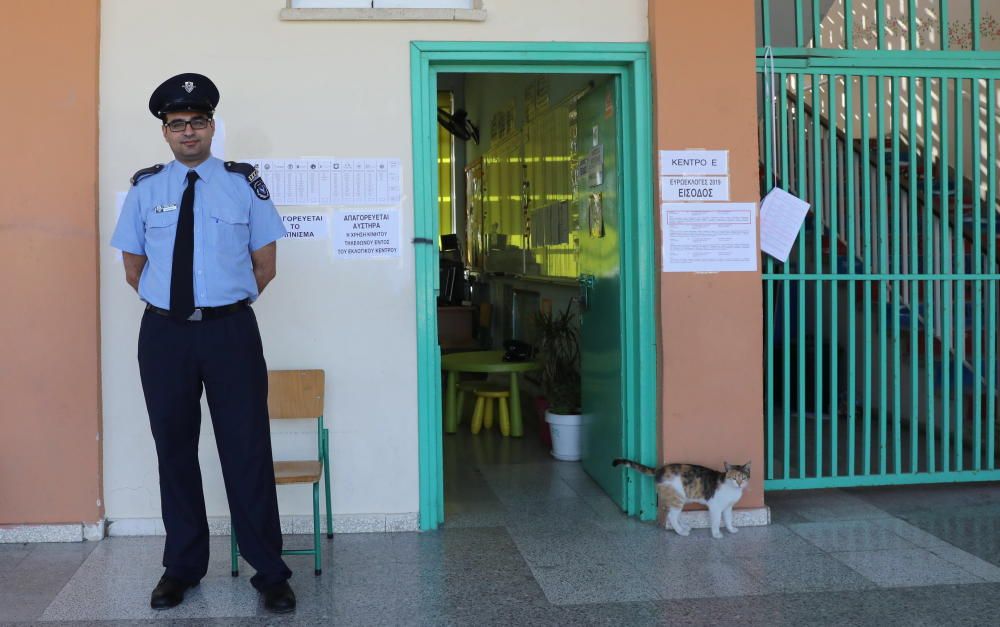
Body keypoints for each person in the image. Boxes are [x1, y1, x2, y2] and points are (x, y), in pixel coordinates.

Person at [110, 73, 295, 614]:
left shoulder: (244, 184)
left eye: (198, 121)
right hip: (164, 334)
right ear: (164, 133)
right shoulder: (146, 190)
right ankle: (182, 568)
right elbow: (133, 266)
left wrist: (222, 306)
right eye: (177, 124)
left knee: (248, 450)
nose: (188, 131)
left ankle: (270, 572)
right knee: (174, 450)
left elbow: (265, 265)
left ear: (212, 126)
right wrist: (180, 308)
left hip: (230, 332)